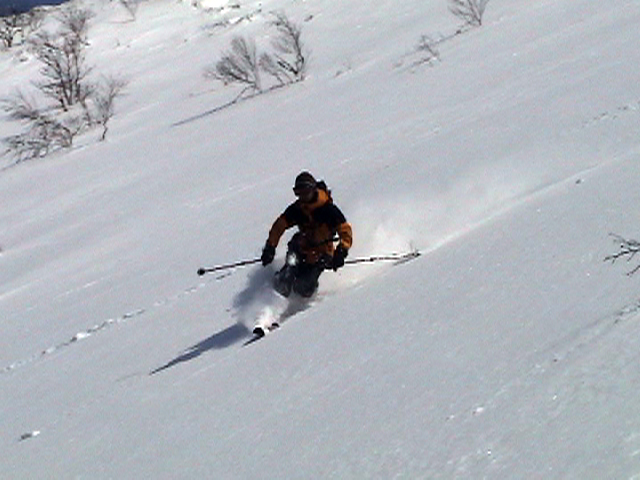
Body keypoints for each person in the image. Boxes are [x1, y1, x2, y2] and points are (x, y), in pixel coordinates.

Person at [260, 172, 353, 297]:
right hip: (300, 248)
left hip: (322, 254)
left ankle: (306, 290)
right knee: (285, 280)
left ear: (313, 190)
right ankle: (284, 278)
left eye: (306, 192)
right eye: (299, 193)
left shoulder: (327, 210)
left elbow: (345, 230)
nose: (303, 197)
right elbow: (279, 226)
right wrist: (270, 247)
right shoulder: (298, 209)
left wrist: (341, 250)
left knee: (303, 288)